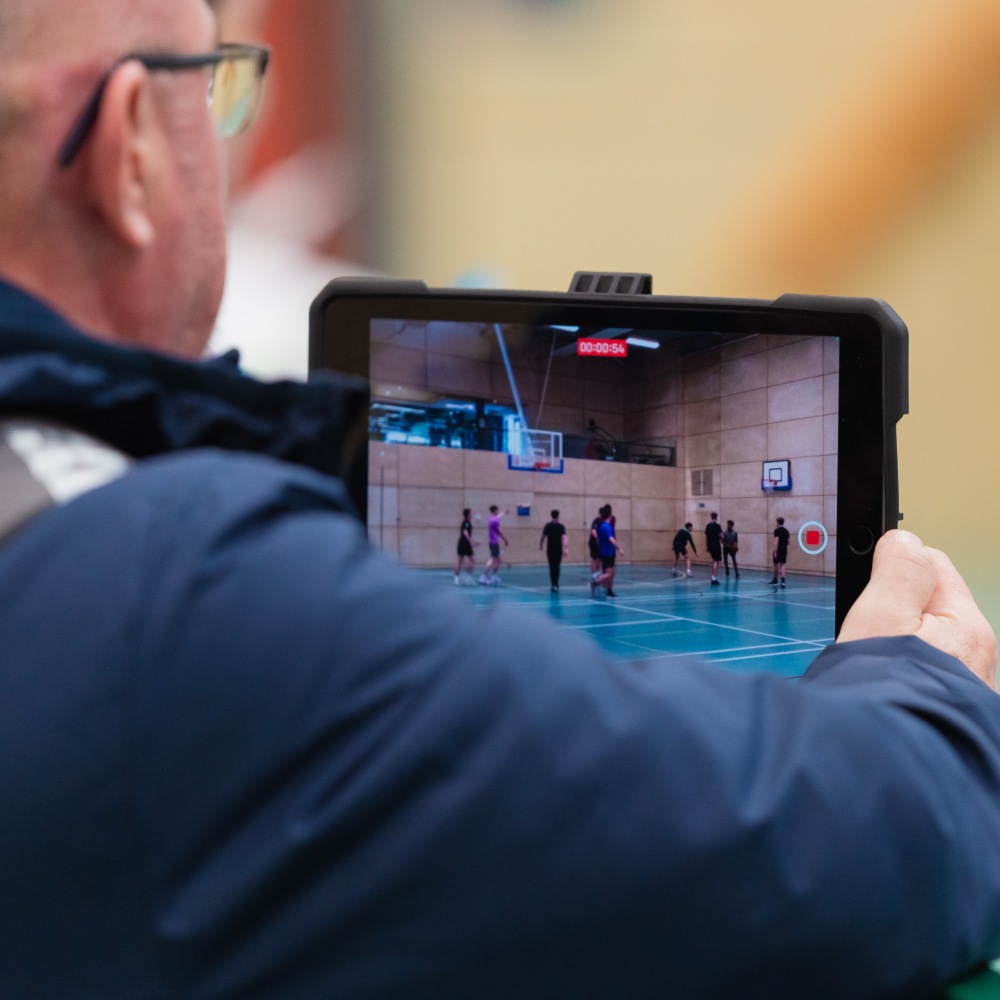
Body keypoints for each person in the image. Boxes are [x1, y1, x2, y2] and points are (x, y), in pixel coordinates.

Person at [2, 3, 1000, 997]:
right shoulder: (171, 593)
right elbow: (820, 847)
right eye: (211, 83)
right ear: (130, 146)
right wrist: (932, 695)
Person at [590, 503, 625, 598]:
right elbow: (611, 539)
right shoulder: (607, 527)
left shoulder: (601, 526)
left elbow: (597, 536)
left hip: (603, 551)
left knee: (608, 572)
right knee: (610, 573)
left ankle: (609, 590)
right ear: (609, 515)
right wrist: (619, 549)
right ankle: (595, 582)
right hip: (609, 552)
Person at [539, 508, 568, 592]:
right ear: (558, 516)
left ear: (551, 516)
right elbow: (564, 538)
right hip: (558, 549)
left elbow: (543, 536)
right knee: (557, 566)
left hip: (550, 549)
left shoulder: (547, 525)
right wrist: (565, 548)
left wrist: (541, 544)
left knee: (551, 566)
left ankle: (552, 584)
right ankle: (556, 583)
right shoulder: (561, 526)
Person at [479, 504, 509, 585]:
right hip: (494, 543)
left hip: (493, 543)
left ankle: (494, 576)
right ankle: (483, 577)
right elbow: (499, 532)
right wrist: (505, 540)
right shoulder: (494, 521)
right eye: (497, 510)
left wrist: (504, 513)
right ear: (494, 511)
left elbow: (498, 516)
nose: (498, 511)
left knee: (499, 561)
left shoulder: (491, 518)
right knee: (492, 560)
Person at [455, 507, 478, 584]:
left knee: (471, 561)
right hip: (464, 543)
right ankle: (460, 578)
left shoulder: (467, 522)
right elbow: (465, 533)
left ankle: (462, 578)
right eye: (471, 513)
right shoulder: (466, 522)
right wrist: (471, 541)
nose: (472, 514)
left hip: (464, 543)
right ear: (468, 514)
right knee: (462, 561)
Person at [705, 511, 724, 586]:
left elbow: (706, 537)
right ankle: (714, 578)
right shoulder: (718, 526)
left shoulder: (708, 526)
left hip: (710, 545)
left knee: (713, 561)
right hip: (716, 545)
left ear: (711, 517)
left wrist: (707, 546)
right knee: (716, 561)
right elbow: (722, 536)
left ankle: (713, 576)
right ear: (716, 517)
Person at [772, 515, 791, 587]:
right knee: (782, 565)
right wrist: (784, 546)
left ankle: (775, 580)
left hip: (778, 549)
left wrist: (775, 551)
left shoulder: (776, 531)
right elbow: (788, 542)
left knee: (776, 565)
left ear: (777, 523)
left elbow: (776, 541)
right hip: (784, 549)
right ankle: (783, 582)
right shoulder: (786, 531)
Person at [589, 506, 604, 576]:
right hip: (594, 542)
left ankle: (598, 573)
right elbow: (593, 531)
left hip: (600, 543)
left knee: (600, 559)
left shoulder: (604, 522)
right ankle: (594, 575)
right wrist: (597, 538)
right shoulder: (597, 520)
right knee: (594, 558)